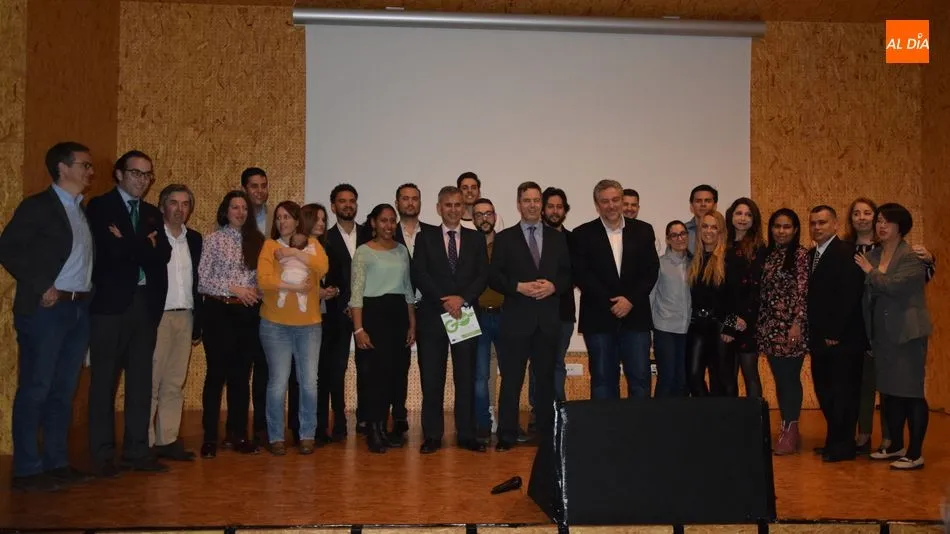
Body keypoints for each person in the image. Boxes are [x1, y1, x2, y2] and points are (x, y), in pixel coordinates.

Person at [0, 142, 95, 491]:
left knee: (63, 390)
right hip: (47, 311)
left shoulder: (80, 209)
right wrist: (42, 284)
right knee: (36, 388)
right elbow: (8, 248)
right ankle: (27, 469)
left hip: (77, 309)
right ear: (63, 167)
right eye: (84, 165)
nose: (90, 171)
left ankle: (57, 462)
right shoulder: (38, 206)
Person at [86, 150, 172, 476]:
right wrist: (142, 245)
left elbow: (162, 255)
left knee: (140, 381)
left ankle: (137, 451)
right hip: (109, 307)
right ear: (119, 174)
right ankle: (103, 455)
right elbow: (110, 252)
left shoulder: (150, 213)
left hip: (144, 305)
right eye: (136, 173)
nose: (142, 180)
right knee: (104, 383)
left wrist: (128, 242)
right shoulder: (100, 206)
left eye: (147, 175)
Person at [842, 197, 936, 454]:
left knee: (911, 392)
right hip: (881, 335)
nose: (881, 226)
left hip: (907, 333)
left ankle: (914, 453)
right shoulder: (872, 255)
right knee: (890, 393)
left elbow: (894, 286)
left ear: (901, 226)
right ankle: (895, 445)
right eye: (880, 221)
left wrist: (870, 272)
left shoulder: (912, 256)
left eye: (887, 222)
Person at [489, 182, 571, 451]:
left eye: (536, 200)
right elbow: (494, 276)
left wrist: (554, 287)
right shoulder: (505, 238)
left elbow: (568, 274)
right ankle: (507, 435)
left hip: (547, 322)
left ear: (542, 205)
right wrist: (518, 287)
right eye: (527, 200)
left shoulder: (558, 238)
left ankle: (546, 434)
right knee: (511, 381)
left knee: (546, 382)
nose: (532, 205)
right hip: (516, 321)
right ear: (518, 204)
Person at [412, 186, 489, 453]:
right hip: (433, 316)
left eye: (458, 205)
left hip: (465, 314)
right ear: (439, 208)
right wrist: (444, 300)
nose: (453, 210)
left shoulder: (476, 238)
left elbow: (483, 275)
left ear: (463, 208)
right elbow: (419, 274)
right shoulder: (424, 238)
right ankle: (433, 435)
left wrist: (462, 299)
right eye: (448, 205)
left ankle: (466, 435)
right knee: (432, 379)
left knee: (465, 378)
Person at [572, 180, 659, 400]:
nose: (611, 205)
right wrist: (612, 303)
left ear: (621, 200)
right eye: (605, 201)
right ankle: (606, 423)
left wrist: (629, 300)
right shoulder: (582, 233)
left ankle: (638, 423)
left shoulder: (643, 230)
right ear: (597, 205)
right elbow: (582, 275)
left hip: (636, 316)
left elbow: (650, 271)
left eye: (615, 200)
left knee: (640, 379)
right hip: (599, 317)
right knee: (602, 380)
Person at [257, 201, 329, 456]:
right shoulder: (269, 246)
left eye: (287, 217)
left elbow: (322, 267)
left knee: (309, 383)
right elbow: (264, 281)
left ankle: (307, 434)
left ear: (297, 220)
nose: (282, 222)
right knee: (278, 383)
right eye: (278, 218)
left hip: (309, 326)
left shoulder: (313, 245)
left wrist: (294, 254)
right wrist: (293, 287)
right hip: (275, 325)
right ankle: (276, 436)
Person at [197, 190, 265, 458]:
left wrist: (257, 291)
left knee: (241, 377)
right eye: (235, 207)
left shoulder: (257, 241)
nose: (240, 212)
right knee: (216, 375)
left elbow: (261, 279)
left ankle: (238, 434)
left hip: (247, 314)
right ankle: (210, 437)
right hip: (219, 312)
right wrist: (234, 288)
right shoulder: (212, 240)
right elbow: (202, 280)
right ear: (226, 211)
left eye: (244, 208)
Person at [350, 204, 416, 453]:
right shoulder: (363, 252)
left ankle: (385, 428)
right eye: (383, 221)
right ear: (373, 223)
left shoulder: (401, 250)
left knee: (395, 375)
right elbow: (356, 293)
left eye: (392, 221)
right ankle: (374, 430)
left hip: (398, 316)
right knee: (374, 377)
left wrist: (412, 324)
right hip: (373, 316)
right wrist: (358, 329)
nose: (388, 225)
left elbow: (408, 289)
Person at [807, 205, 865, 462]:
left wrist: (835, 332)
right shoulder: (811, 255)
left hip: (842, 339)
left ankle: (844, 446)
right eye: (813, 223)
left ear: (835, 225)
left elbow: (849, 295)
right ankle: (834, 440)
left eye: (822, 222)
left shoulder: (847, 252)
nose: (817, 227)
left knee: (843, 393)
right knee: (825, 391)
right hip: (819, 338)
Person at [149, 184, 203, 462]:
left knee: (174, 382)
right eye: (174, 203)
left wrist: (198, 321)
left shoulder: (194, 239)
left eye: (185, 204)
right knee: (151, 381)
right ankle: (144, 442)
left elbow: (198, 281)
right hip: (158, 316)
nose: (180, 209)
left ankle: (167, 439)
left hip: (186, 315)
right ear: (162, 207)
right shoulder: (152, 236)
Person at [757, 208, 809, 455]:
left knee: (790, 378)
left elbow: (803, 291)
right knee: (780, 379)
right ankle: (787, 426)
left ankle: (791, 428)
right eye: (777, 226)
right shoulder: (768, 255)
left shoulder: (800, 255)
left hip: (791, 328)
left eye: (786, 226)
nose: (781, 231)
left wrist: (797, 323)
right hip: (770, 328)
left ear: (795, 229)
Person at [319, 184, 366, 441]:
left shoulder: (369, 234)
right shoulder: (324, 238)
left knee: (367, 366)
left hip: (366, 312)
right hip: (336, 313)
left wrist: (358, 304)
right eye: (342, 201)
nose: (347, 205)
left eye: (351, 201)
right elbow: (327, 278)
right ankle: (338, 417)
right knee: (336, 368)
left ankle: (365, 417)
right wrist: (345, 302)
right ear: (333, 206)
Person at [287, 203, 337, 444]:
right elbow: (289, 281)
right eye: (316, 219)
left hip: (324, 318)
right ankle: (298, 427)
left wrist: (334, 290)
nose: (321, 223)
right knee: (300, 377)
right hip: (298, 319)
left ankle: (318, 427)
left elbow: (337, 278)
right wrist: (316, 292)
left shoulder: (327, 248)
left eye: (324, 219)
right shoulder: (294, 247)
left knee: (320, 376)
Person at [722, 198, 765, 399]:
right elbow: (721, 291)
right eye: (739, 213)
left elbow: (755, 289)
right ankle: (732, 418)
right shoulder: (722, 245)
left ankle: (757, 419)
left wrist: (741, 321)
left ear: (754, 219)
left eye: (748, 214)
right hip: (726, 322)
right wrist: (731, 322)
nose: (743, 218)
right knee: (727, 378)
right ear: (731, 216)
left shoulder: (759, 248)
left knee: (750, 375)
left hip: (749, 323)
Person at [685, 211, 730, 397]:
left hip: (720, 327)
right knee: (693, 376)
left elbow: (736, 297)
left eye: (714, 227)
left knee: (720, 379)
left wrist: (730, 327)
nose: (708, 231)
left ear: (721, 231)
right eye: (705, 226)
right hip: (697, 325)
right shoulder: (694, 259)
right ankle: (706, 411)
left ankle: (721, 415)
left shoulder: (729, 258)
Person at [241, 167, 271, 445]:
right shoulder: (233, 218)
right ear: (244, 189)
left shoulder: (276, 219)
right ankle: (238, 430)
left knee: (265, 368)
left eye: (263, 185)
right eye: (254, 186)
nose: (260, 191)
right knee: (240, 368)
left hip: (270, 304)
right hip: (241, 304)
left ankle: (262, 426)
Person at [472, 198, 505, 443]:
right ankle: (482, 424)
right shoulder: (467, 245)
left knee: (511, 373)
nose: (484, 218)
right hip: (476, 316)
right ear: (473, 219)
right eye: (479, 214)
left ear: (495, 216)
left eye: (488, 213)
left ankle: (508, 424)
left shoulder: (507, 244)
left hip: (506, 315)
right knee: (480, 374)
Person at [650, 221, 691, 397]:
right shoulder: (660, 264)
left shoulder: (694, 263)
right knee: (667, 377)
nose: (679, 238)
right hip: (664, 328)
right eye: (674, 235)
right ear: (668, 239)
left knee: (682, 380)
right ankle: (660, 414)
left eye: (683, 234)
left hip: (688, 329)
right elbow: (651, 296)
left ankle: (679, 415)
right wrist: (650, 329)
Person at [685, 185, 718, 255]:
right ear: (691, 206)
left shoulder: (725, 231)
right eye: (698, 201)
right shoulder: (683, 232)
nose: (703, 204)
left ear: (715, 205)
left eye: (708, 201)